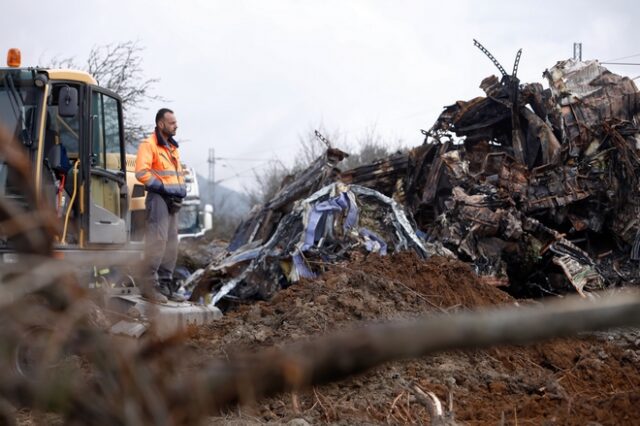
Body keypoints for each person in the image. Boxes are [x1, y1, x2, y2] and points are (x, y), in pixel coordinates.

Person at [135, 108, 187, 302]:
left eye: (176, 122)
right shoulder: (149, 145)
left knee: (172, 243)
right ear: (161, 124)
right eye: (172, 123)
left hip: (172, 200)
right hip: (158, 197)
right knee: (158, 240)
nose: (176, 125)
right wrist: (164, 188)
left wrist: (180, 191)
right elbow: (142, 173)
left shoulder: (173, 148)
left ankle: (165, 285)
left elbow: (176, 175)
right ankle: (148, 286)